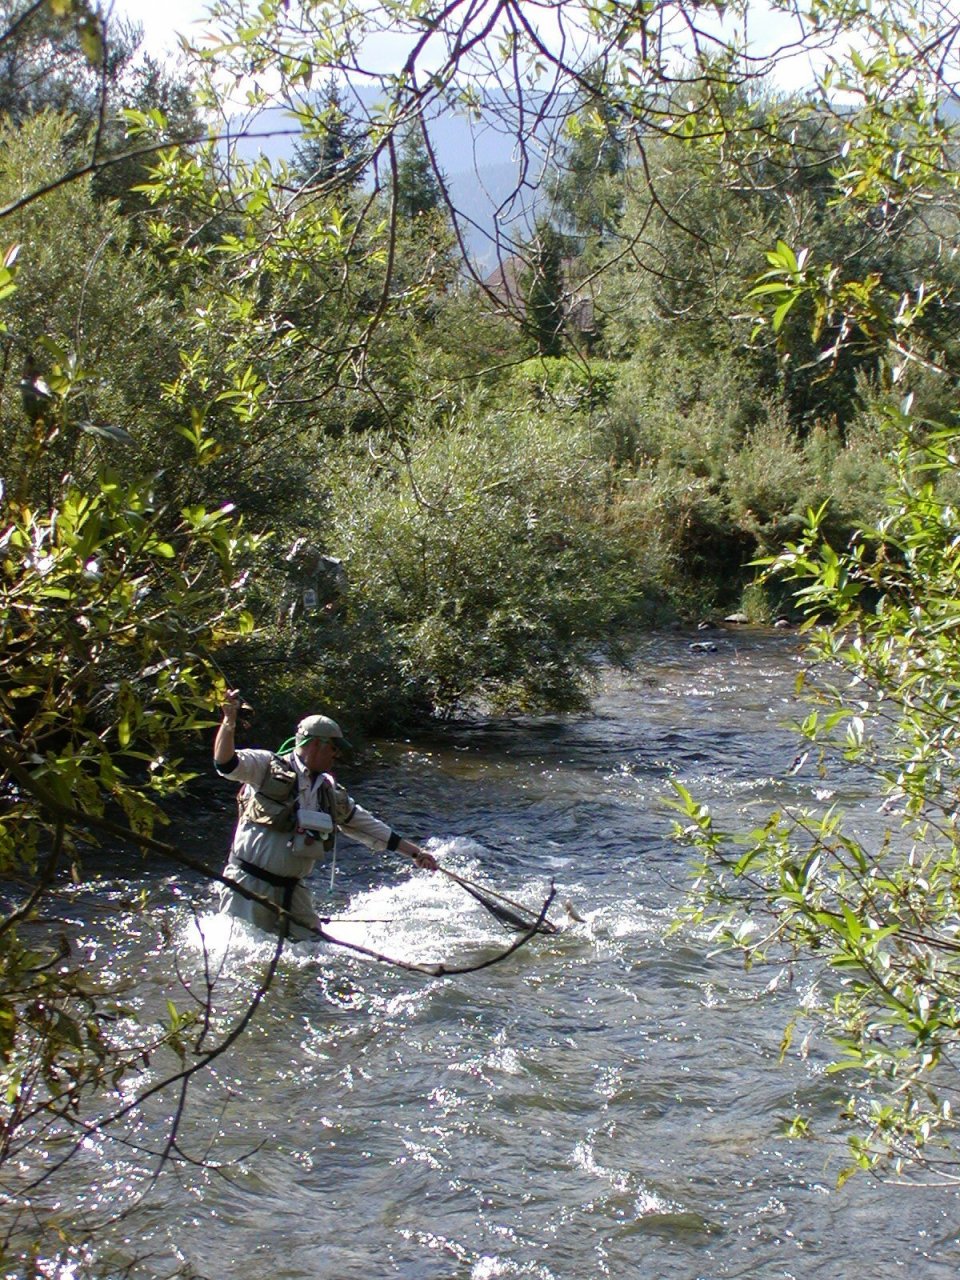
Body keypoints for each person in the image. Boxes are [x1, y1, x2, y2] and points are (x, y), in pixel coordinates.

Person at [214, 689, 438, 941]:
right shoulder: (265, 766)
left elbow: (367, 826)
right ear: (314, 745)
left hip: (293, 892)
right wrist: (229, 721)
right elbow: (225, 764)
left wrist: (416, 854)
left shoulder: (329, 792)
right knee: (243, 958)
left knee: (312, 954)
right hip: (248, 886)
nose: (336, 754)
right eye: (333, 748)